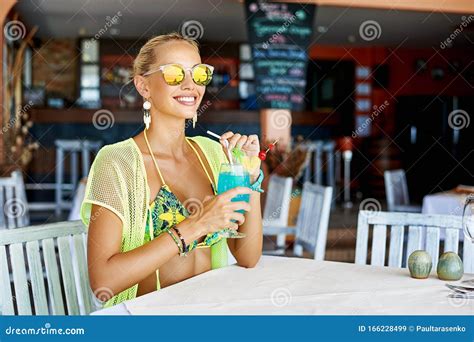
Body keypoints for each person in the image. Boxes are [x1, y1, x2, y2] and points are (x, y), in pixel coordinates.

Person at [80, 32, 263, 308]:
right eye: (175, 74)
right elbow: (103, 282)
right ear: (143, 86)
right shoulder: (116, 162)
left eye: (198, 74)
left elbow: (248, 257)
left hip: (210, 313)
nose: (190, 85)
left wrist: (250, 177)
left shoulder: (213, 154)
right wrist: (196, 225)